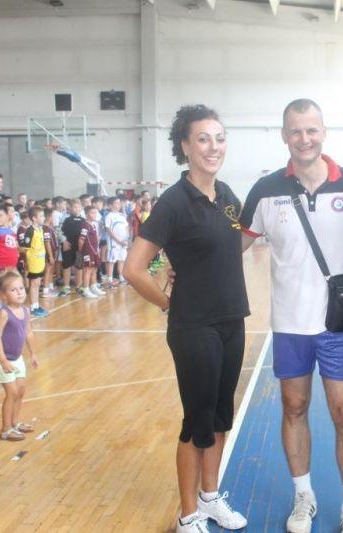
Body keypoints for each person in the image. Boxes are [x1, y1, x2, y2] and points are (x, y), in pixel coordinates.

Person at [239, 99, 343, 533]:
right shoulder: (265, 190)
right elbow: (232, 246)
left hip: (337, 324)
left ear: (323, 132)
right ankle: (304, 496)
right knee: (294, 407)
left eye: (311, 130)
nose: (304, 139)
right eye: (296, 131)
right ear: (285, 136)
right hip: (289, 325)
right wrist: (185, 264)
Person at [124, 104, 249, 533]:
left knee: (220, 416)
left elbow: (231, 245)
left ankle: (210, 498)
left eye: (219, 138)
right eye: (203, 139)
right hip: (194, 326)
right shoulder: (173, 203)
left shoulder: (228, 196)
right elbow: (133, 268)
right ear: (186, 146)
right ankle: (187, 514)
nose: (214, 147)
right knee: (197, 420)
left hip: (232, 319)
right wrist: (167, 303)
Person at [0, 270, 38, 442]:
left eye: (21, 288)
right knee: (11, 393)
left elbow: (28, 332)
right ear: (4, 295)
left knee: (20, 390)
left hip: (17, 358)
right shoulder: (4, 313)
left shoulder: (26, 310)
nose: (19, 292)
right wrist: (3, 360)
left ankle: (15, 423)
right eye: (13, 290)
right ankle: (5, 429)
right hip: (2, 360)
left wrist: (33, 353)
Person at [19, 206, 50, 317]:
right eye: (41, 216)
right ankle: (33, 308)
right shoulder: (30, 231)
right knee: (34, 284)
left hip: (40, 261)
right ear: (34, 218)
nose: (43, 218)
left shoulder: (40, 229)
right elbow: (24, 248)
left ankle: (36, 305)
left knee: (37, 283)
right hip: (33, 262)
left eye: (43, 215)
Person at [76, 206, 104, 298]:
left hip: (94, 251)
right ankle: (85, 289)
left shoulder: (93, 225)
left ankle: (93, 286)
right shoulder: (85, 225)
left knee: (94, 269)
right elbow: (81, 240)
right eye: (92, 213)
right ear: (87, 214)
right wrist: (81, 252)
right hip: (88, 251)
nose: (94, 215)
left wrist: (97, 250)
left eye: (95, 213)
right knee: (87, 270)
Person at [60, 199, 85, 295]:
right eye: (75, 207)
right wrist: (64, 241)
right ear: (70, 208)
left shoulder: (83, 220)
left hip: (79, 247)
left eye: (79, 207)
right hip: (68, 245)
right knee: (67, 266)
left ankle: (78, 286)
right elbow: (59, 231)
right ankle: (66, 287)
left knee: (79, 266)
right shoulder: (65, 218)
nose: (77, 209)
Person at [104, 196, 129, 287]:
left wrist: (126, 239)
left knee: (121, 260)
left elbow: (126, 228)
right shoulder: (109, 216)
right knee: (111, 261)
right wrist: (118, 241)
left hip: (123, 242)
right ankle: (109, 280)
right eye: (116, 203)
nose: (119, 205)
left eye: (119, 203)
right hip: (114, 243)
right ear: (110, 205)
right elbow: (109, 230)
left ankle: (121, 278)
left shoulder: (121, 215)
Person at [41, 208, 59, 298]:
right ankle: (45, 290)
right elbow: (47, 242)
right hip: (48, 253)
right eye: (53, 217)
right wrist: (51, 255)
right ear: (48, 217)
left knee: (51, 270)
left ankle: (50, 287)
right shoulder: (46, 229)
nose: (53, 218)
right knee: (47, 271)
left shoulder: (49, 228)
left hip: (52, 252)